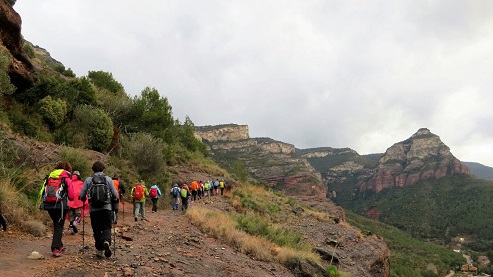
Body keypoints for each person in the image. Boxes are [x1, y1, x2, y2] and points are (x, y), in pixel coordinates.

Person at [79, 161, 118, 258]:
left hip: (94, 209)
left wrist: (83, 198)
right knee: (106, 227)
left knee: (96, 229)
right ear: (103, 169)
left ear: (93, 169)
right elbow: (115, 195)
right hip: (106, 208)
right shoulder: (108, 179)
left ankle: (100, 250)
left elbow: (81, 195)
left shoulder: (89, 180)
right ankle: (106, 241)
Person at [39, 161, 74, 257]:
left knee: (56, 224)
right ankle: (55, 248)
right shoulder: (66, 178)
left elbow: (41, 192)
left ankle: (59, 244)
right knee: (59, 225)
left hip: (49, 205)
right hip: (61, 206)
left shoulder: (50, 176)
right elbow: (71, 195)